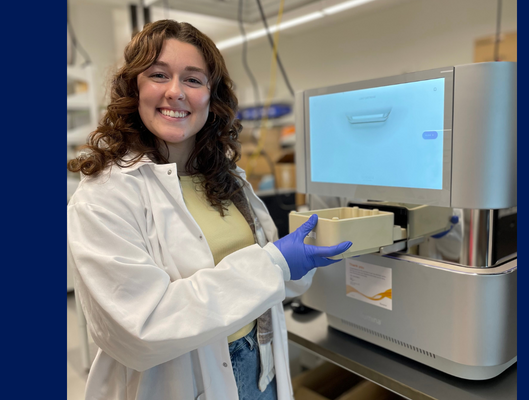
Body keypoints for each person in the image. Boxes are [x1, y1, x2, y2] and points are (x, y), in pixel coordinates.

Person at [67, 20, 351, 400]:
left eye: (193, 79)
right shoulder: (105, 194)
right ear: (134, 88)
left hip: (259, 364)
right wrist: (275, 264)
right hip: (180, 384)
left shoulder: (227, 178)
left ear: (211, 96)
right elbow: (141, 328)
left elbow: (266, 276)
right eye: (158, 75)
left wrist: (301, 263)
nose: (175, 92)